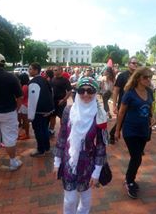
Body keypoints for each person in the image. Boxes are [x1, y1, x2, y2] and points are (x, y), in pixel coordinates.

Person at [53, 77, 108, 214]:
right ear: (77, 92)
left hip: (88, 162)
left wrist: (97, 172)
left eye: (90, 90)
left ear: (95, 92)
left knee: (85, 200)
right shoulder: (68, 110)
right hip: (69, 160)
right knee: (70, 199)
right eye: (81, 90)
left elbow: (101, 145)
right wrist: (57, 161)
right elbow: (62, 137)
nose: (85, 94)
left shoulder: (100, 114)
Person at [115, 67, 154, 199]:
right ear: (138, 78)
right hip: (130, 130)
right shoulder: (130, 93)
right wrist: (117, 130)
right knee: (137, 157)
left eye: (150, 77)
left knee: (137, 157)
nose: (148, 80)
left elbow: (150, 105)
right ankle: (129, 181)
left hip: (144, 129)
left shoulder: (149, 91)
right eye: (145, 77)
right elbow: (121, 112)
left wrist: (152, 116)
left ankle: (130, 178)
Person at [0, 53, 23, 171]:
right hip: (8, 112)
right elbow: (19, 97)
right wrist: (16, 109)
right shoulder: (11, 77)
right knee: (10, 138)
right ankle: (12, 162)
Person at [109, 56, 138, 144]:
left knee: (135, 122)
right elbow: (116, 91)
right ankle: (112, 133)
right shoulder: (122, 76)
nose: (135, 65)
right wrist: (114, 105)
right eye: (133, 63)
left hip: (135, 104)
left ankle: (137, 143)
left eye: (136, 63)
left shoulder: (138, 76)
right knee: (120, 121)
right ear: (128, 64)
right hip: (123, 103)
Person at [28, 62, 54, 157]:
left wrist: (30, 115)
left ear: (35, 70)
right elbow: (51, 94)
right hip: (46, 110)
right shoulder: (44, 80)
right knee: (44, 129)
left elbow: (32, 100)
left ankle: (41, 149)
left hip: (39, 111)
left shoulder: (34, 82)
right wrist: (51, 109)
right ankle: (46, 148)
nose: (29, 70)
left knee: (39, 130)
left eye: (30, 69)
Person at [49, 66, 72, 135]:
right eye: (53, 70)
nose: (54, 71)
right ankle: (51, 130)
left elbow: (69, 91)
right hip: (53, 102)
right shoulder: (52, 79)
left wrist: (64, 99)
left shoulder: (65, 80)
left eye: (55, 70)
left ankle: (63, 131)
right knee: (52, 117)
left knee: (62, 117)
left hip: (61, 101)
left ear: (61, 71)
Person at [18, 73, 30, 140]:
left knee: (25, 121)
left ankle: (27, 134)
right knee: (24, 120)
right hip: (24, 105)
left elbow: (22, 96)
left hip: (24, 105)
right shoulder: (25, 86)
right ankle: (25, 133)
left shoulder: (25, 86)